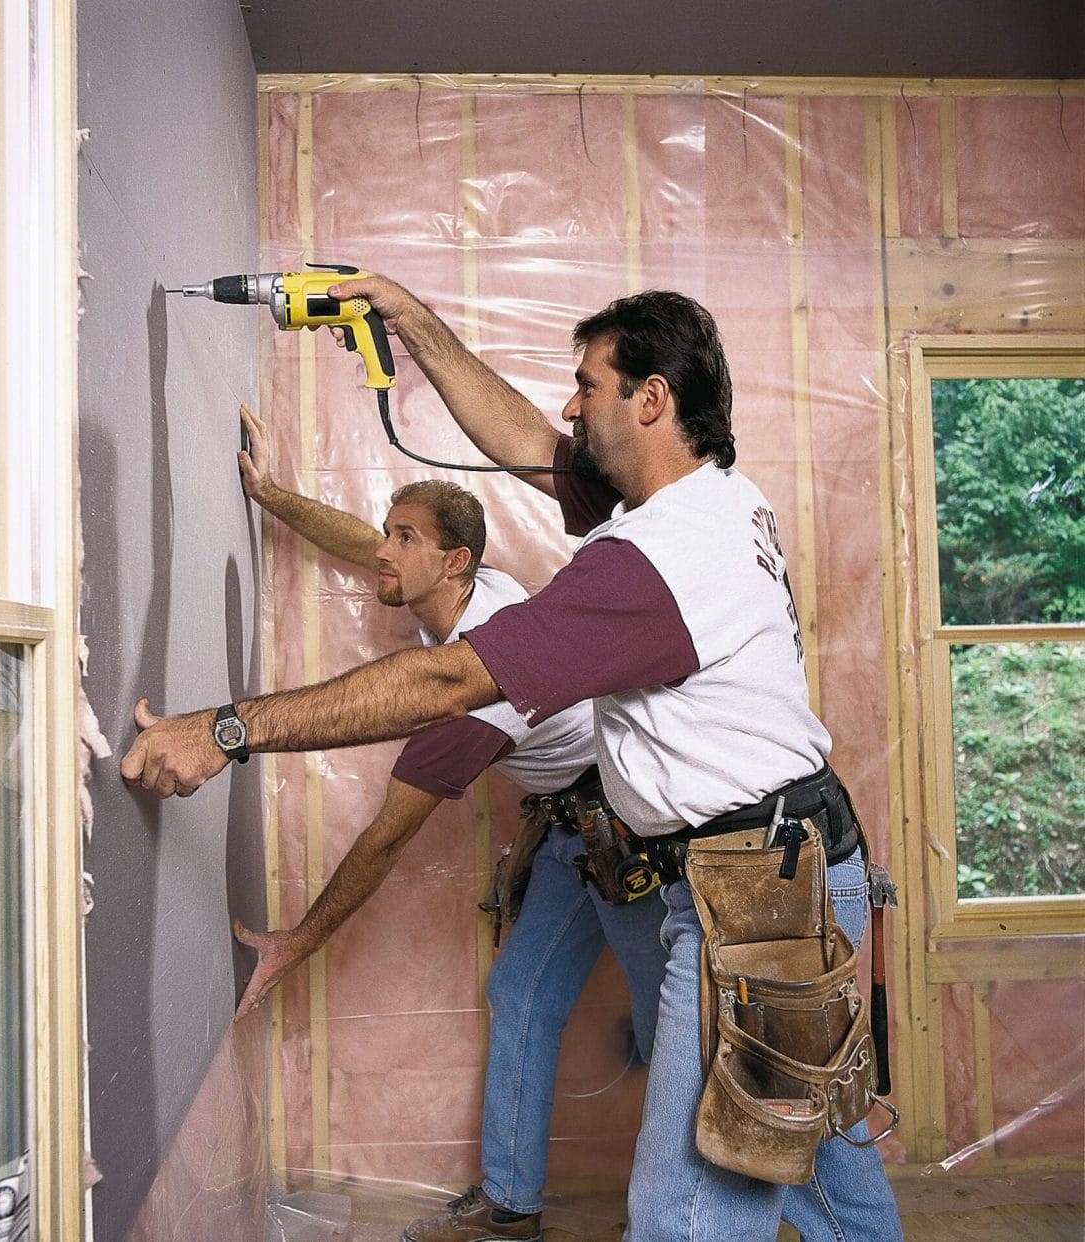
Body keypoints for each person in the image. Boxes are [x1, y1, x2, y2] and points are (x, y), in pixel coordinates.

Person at [121, 279, 903, 1240]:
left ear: (651, 399)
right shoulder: (705, 496)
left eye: (589, 386)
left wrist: (224, 730)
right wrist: (408, 319)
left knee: (685, 1217)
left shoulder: (658, 558)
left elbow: (449, 683)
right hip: (777, 871)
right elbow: (527, 442)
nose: (570, 408)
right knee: (824, 1166)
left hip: (755, 903)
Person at [231, 403, 669, 1241]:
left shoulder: (478, 692)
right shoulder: (464, 588)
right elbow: (356, 540)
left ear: (453, 563)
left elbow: (384, 841)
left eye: (404, 539)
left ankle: (737, 1206)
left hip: (628, 835)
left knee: (677, 1034)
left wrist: (296, 941)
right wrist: (270, 493)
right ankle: (510, 1209)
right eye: (390, 534)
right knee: (522, 993)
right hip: (574, 831)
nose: (383, 552)